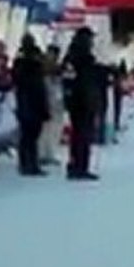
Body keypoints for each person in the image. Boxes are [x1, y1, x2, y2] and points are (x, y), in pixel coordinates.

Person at [62, 27, 103, 181]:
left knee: (78, 134)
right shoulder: (83, 59)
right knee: (83, 135)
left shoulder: (72, 57)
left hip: (77, 100)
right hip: (83, 100)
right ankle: (80, 165)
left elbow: (68, 79)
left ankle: (76, 164)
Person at [12, 34, 49, 177]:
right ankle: (28, 163)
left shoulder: (25, 61)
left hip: (29, 100)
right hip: (30, 100)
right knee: (29, 135)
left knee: (30, 134)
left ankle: (28, 163)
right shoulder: (26, 62)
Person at [39, 45, 65, 167]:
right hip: (47, 100)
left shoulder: (58, 68)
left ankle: (49, 153)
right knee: (45, 128)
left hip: (56, 101)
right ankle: (42, 153)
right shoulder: (43, 67)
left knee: (54, 128)